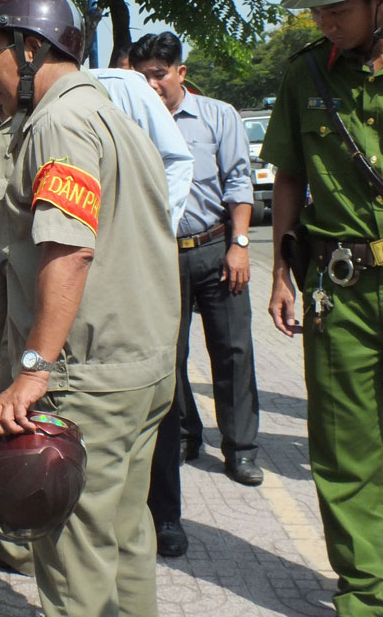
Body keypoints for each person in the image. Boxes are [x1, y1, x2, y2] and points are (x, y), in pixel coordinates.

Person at [0, 0, 178, 617]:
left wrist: (33, 370)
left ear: (29, 49)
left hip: (87, 376)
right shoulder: (112, 115)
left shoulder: (59, 122)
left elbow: (71, 250)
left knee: (74, 556)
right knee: (127, 535)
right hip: (142, 367)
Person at [263, 0, 383, 615]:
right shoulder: (305, 76)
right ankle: (365, 599)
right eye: (315, 7)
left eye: (335, 5)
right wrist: (280, 273)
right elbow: (289, 176)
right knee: (345, 456)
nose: (322, 18)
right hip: (338, 289)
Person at [131, 31, 260, 561]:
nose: (152, 84)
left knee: (232, 350)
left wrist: (242, 245)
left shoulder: (217, 115)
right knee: (171, 356)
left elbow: (239, 179)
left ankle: (241, 447)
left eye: (160, 73)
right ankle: (186, 434)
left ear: (181, 72)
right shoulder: (132, 120)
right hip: (161, 256)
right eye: (144, 75)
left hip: (215, 249)